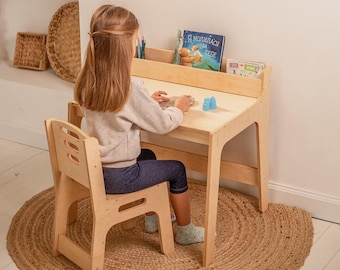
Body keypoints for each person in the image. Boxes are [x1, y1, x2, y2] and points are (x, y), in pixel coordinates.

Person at [74, 5, 204, 245]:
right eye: (135, 40)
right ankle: (186, 231)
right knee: (177, 169)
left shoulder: (87, 81)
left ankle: (153, 218)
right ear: (125, 47)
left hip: (94, 168)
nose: (136, 45)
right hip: (120, 177)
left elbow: (114, 114)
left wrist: (146, 102)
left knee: (149, 154)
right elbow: (163, 124)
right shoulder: (131, 89)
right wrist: (180, 107)